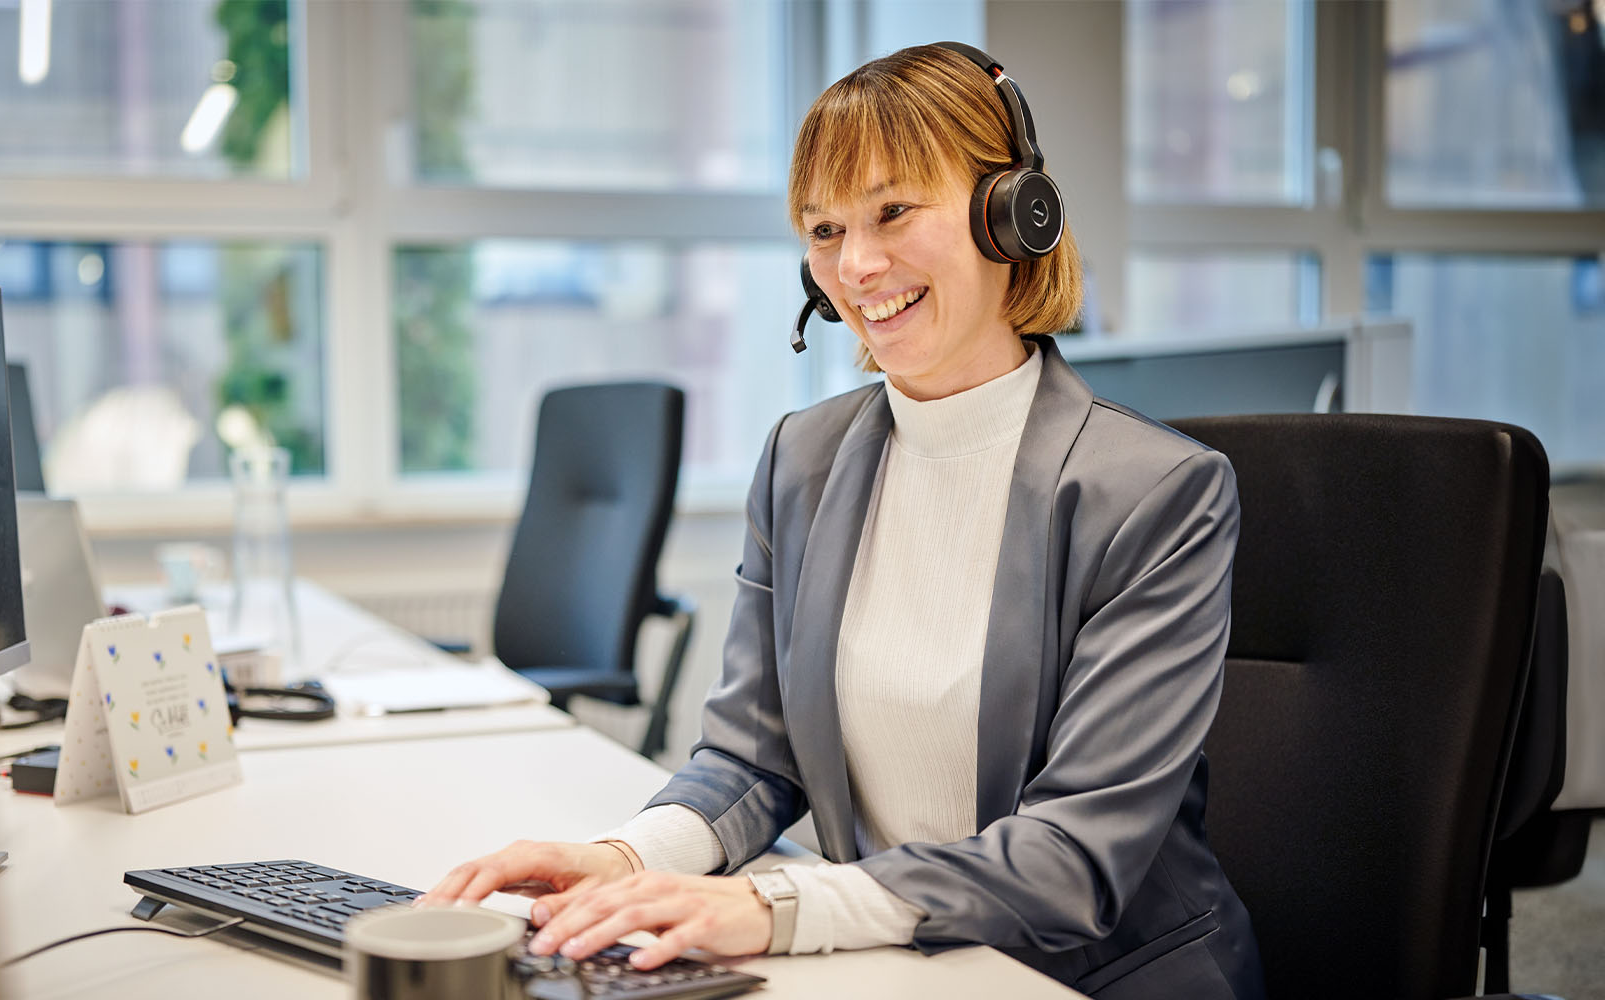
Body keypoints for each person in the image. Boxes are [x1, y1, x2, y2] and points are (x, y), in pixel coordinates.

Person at [422, 42, 1266, 1000]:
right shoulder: (803, 460)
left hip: (1090, 981)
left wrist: (778, 909)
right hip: (897, 962)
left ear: (1011, 213)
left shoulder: (1157, 493)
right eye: (824, 231)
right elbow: (752, 755)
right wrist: (626, 858)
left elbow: (1072, 856)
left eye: (893, 211)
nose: (858, 266)